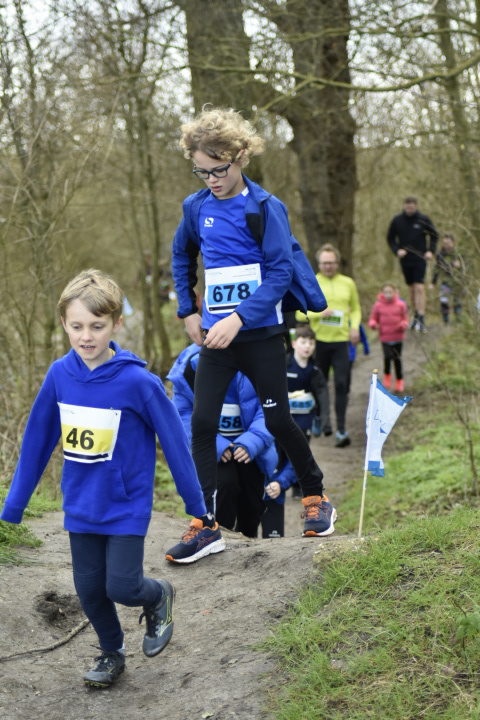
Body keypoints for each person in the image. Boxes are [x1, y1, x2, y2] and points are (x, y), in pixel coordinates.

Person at [0, 269, 207, 688]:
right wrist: (15, 504)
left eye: (97, 326)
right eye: (77, 326)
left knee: (123, 587)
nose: (86, 336)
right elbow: (37, 439)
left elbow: (174, 442)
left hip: (126, 505)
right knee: (90, 590)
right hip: (81, 504)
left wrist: (195, 503)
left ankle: (157, 594)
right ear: (64, 323)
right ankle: (112, 652)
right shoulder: (60, 375)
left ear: (116, 323)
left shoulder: (138, 382)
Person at [167, 106, 337, 563]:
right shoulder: (195, 207)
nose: (212, 180)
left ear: (241, 156)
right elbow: (181, 256)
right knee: (202, 425)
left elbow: (280, 273)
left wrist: (238, 319)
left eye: (219, 170)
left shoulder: (265, 207)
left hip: (260, 336)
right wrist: (188, 310)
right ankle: (205, 524)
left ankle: (316, 497)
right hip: (215, 341)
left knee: (279, 421)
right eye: (202, 172)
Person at [167, 343, 278, 538]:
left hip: (252, 448)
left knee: (252, 502)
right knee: (225, 486)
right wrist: (217, 444)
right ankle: (218, 537)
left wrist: (252, 441)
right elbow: (182, 415)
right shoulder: (190, 367)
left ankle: (249, 540)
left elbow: (271, 407)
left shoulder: (259, 358)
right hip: (211, 446)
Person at [297, 243, 361, 448]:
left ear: (337, 263)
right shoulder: (312, 281)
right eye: (324, 263)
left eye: (331, 263)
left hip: (341, 342)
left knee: (342, 384)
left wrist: (355, 327)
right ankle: (318, 416)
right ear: (318, 264)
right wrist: (318, 313)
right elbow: (299, 313)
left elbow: (356, 309)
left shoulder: (348, 283)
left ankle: (341, 429)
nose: (328, 266)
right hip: (319, 343)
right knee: (319, 383)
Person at [285, 324, 328, 498]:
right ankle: (278, 483)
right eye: (303, 342)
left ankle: (297, 486)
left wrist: (324, 420)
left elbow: (323, 394)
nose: (307, 346)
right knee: (282, 451)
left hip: (306, 418)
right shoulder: (284, 364)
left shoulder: (315, 369)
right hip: (285, 417)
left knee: (301, 452)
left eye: (311, 343)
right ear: (294, 344)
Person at [387, 196, 438, 333]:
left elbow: (434, 235)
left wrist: (430, 251)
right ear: (404, 206)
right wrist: (397, 250)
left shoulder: (423, 219)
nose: (409, 207)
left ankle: (421, 316)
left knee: (419, 287)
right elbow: (390, 238)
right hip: (405, 259)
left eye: (412, 205)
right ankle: (415, 315)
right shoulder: (397, 220)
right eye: (407, 205)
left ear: (416, 206)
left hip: (420, 258)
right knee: (411, 288)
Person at [368, 282, 409, 393]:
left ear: (395, 292)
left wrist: (404, 324)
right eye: (386, 292)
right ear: (382, 293)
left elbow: (405, 319)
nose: (388, 295)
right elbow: (373, 318)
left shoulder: (401, 304)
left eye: (390, 292)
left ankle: (400, 381)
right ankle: (387, 377)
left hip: (398, 336)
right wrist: (373, 324)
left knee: (397, 359)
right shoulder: (378, 305)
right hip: (385, 337)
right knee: (387, 357)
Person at [428, 233, 463, 323]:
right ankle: (446, 320)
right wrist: (433, 282)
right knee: (444, 301)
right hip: (445, 281)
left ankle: (458, 320)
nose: (446, 245)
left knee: (457, 301)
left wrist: (459, 267)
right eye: (444, 243)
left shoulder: (458, 254)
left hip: (457, 281)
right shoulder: (440, 255)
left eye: (448, 242)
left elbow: (464, 268)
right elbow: (436, 269)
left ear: (453, 242)